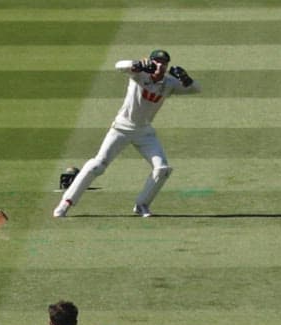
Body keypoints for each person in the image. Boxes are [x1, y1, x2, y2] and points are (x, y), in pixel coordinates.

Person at [53, 49, 201, 219]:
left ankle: (142, 205)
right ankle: (65, 204)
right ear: (151, 62)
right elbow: (119, 65)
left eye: (164, 62)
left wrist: (187, 79)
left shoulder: (169, 83)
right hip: (121, 128)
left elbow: (197, 89)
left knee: (162, 169)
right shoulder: (139, 75)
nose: (161, 65)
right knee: (97, 165)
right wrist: (136, 64)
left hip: (145, 132)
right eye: (157, 61)